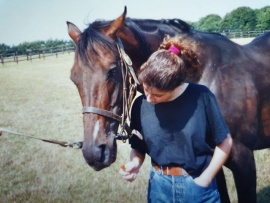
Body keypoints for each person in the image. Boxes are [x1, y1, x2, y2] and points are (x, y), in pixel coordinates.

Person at [119, 35, 233, 203]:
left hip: (198, 187)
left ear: (176, 87)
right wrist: (135, 163)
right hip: (158, 188)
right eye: (145, 89)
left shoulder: (201, 97)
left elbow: (225, 142)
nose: (149, 98)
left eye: (158, 95)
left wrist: (206, 179)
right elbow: (138, 147)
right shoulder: (140, 105)